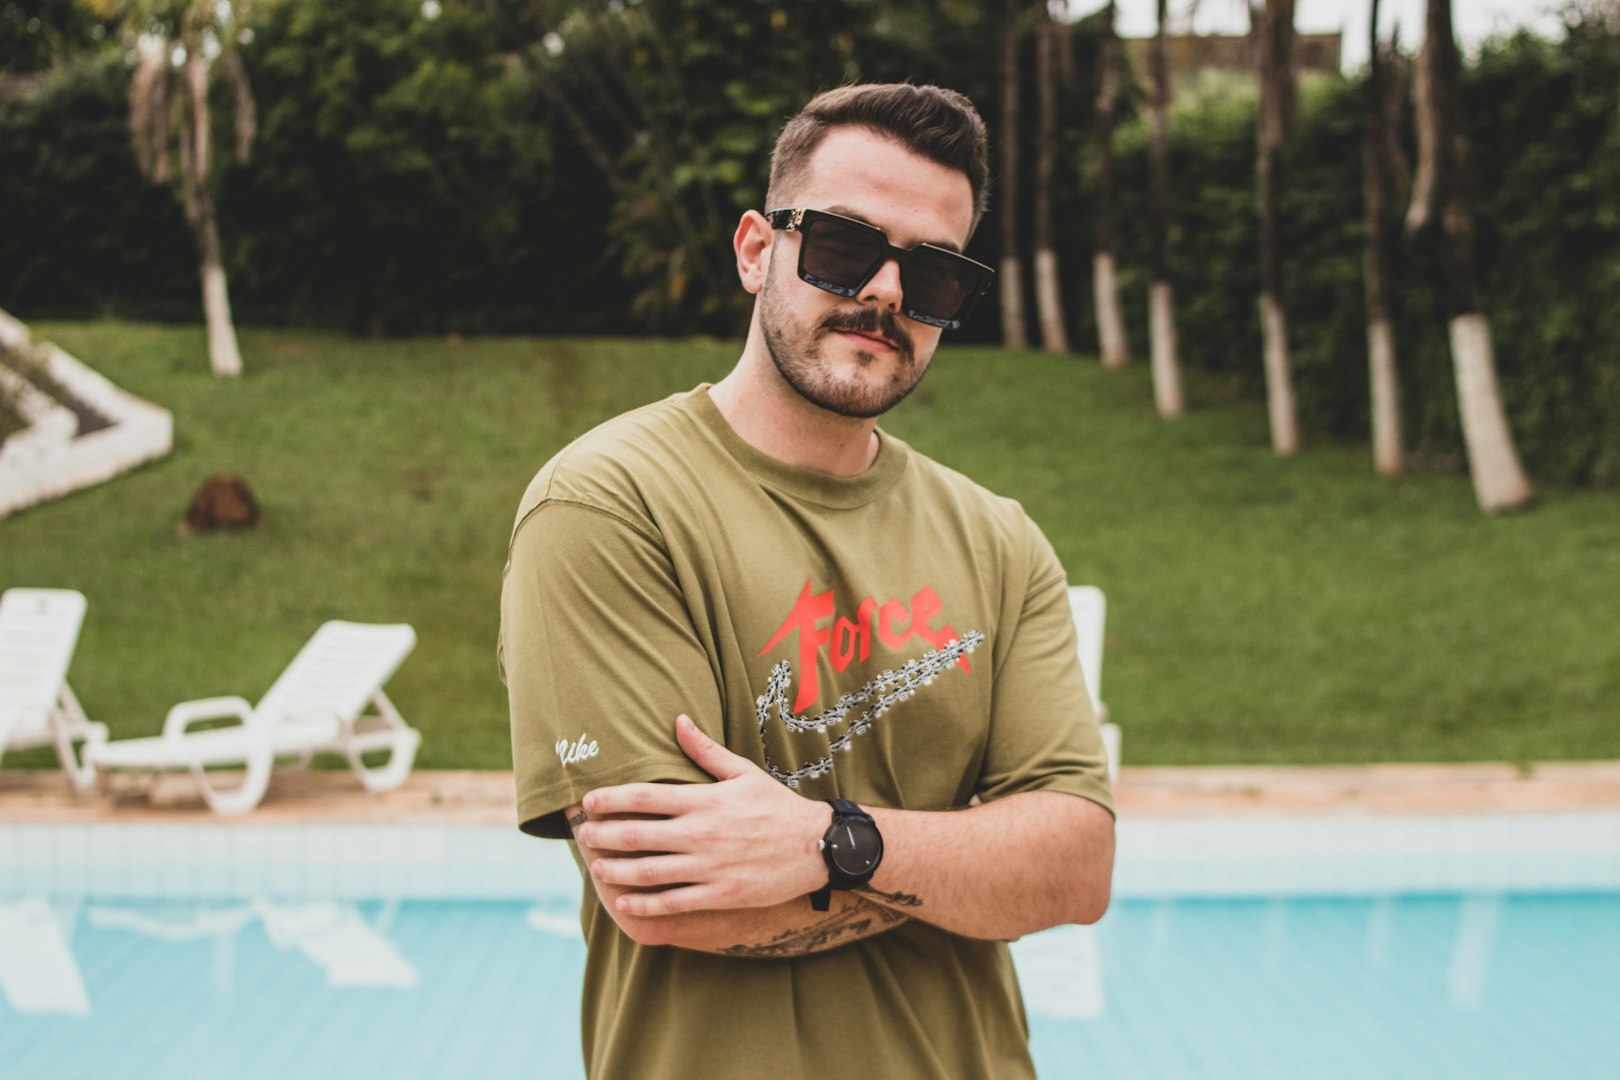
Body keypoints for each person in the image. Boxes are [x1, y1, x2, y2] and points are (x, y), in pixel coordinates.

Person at [500, 82, 1115, 1080]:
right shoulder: (610, 504)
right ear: (756, 250)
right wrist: (970, 860)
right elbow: (667, 898)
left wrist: (832, 844)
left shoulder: (999, 541)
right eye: (842, 245)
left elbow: (1075, 869)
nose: (886, 291)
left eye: (933, 273)